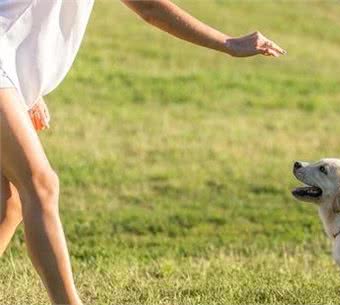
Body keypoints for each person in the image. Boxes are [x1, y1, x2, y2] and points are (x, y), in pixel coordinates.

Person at [0, 1, 285, 304]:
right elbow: (150, 8)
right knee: (41, 185)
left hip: (9, 74)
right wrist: (229, 43)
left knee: (11, 203)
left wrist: (24, 90)